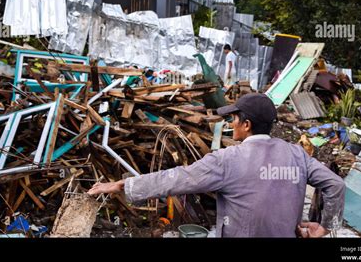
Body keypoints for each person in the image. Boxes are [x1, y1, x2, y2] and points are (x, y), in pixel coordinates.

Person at [88, 94, 345, 237]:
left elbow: (177, 179)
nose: (231, 123)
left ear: (246, 124)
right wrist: (326, 226)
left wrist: (122, 184)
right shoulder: (296, 155)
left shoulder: (227, 160)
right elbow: (335, 184)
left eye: (234, 118)